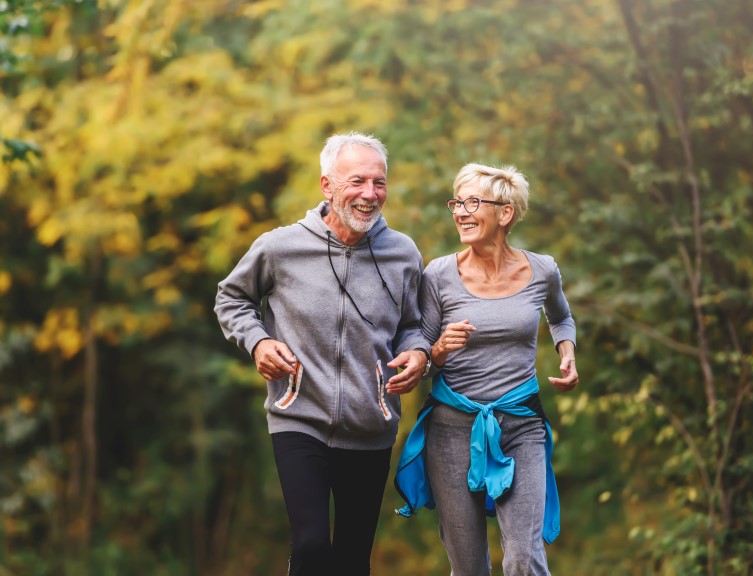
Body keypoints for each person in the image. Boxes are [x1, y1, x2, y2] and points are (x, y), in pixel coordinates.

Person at [214, 132, 430, 576]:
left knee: (352, 558)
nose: (370, 194)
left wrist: (418, 353)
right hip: (298, 416)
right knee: (311, 546)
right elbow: (231, 299)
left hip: (371, 423)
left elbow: (414, 324)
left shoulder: (403, 253)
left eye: (379, 182)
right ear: (327, 186)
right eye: (357, 181)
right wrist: (258, 341)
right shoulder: (280, 247)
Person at [394, 163, 578, 576]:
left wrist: (567, 353)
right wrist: (439, 347)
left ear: (505, 213)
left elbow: (561, 318)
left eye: (473, 202)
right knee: (469, 566)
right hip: (451, 429)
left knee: (524, 558)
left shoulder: (542, 270)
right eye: (456, 203)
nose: (460, 211)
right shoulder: (438, 274)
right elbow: (421, 349)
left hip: (521, 424)